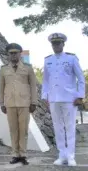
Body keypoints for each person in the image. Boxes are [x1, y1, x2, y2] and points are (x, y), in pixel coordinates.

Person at [41, 33, 85, 167]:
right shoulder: (48, 60)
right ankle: (61, 155)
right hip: (54, 98)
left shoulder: (71, 59)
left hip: (69, 98)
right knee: (58, 128)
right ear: (51, 45)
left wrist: (80, 96)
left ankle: (71, 156)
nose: (56, 46)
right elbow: (46, 81)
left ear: (63, 44)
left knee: (70, 127)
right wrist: (45, 96)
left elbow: (81, 78)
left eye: (58, 43)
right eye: (54, 44)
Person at [0, 43, 37, 165]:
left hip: (24, 103)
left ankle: (23, 154)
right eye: (11, 53)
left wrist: (33, 102)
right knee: (13, 130)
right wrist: (2, 103)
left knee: (23, 130)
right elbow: (0, 88)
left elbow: (33, 87)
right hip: (10, 103)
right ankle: (15, 154)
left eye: (16, 53)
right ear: (8, 55)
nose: (13, 55)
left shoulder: (28, 68)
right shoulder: (4, 69)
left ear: (20, 54)